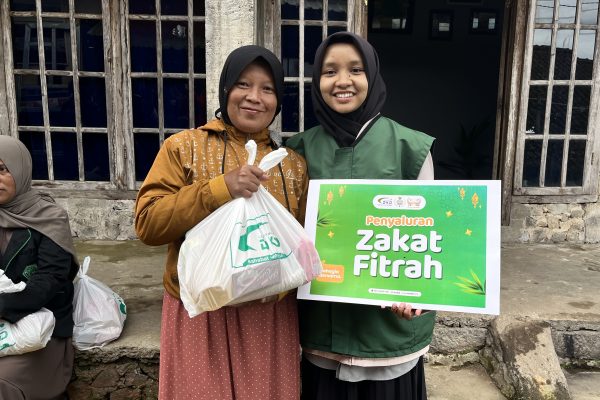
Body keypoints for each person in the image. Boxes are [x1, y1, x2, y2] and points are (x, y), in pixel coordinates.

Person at [135, 45, 308, 400]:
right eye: (243, 84)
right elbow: (149, 223)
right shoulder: (184, 147)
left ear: (278, 101)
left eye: (267, 89)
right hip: (199, 313)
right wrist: (220, 188)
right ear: (225, 89)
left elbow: (303, 249)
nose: (254, 97)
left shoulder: (290, 164)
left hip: (269, 318)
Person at [286, 32, 436, 400]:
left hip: (389, 339)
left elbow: (430, 239)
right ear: (316, 80)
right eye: (329, 71)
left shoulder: (410, 148)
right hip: (322, 337)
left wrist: (419, 295)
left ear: (372, 75)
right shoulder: (298, 150)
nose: (342, 81)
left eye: (355, 70)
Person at [0, 136, 78, 399]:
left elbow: (51, 279)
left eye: (2, 169)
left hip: (41, 328)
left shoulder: (48, 217)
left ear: (20, 170)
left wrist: (4, 305)